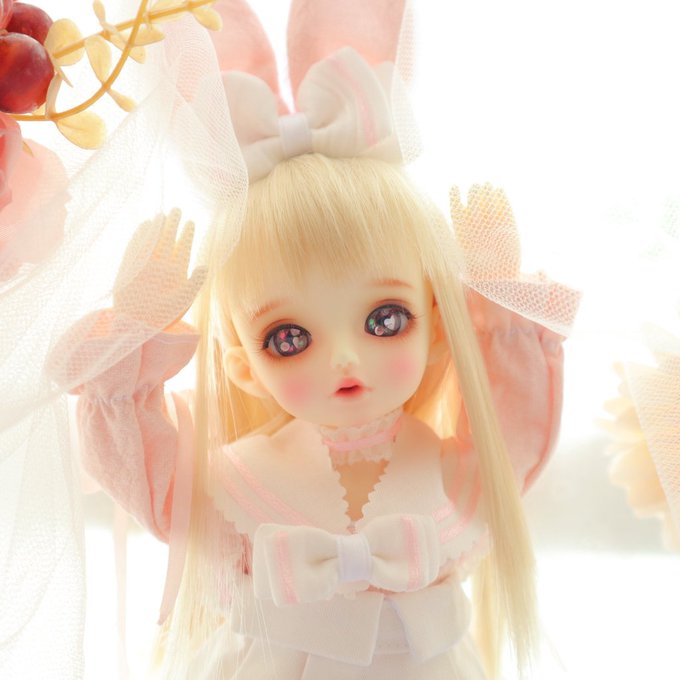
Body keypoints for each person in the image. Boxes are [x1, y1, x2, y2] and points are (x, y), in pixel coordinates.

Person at [47, 2, 578, 678]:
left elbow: (515, 439)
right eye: (289, 337)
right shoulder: (233, 489)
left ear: (438, 325)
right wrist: (135, 331)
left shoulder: (455, 477)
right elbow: (136, 464)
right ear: (242, 365)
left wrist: (501, 306)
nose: (346, 358)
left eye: (386, 320)